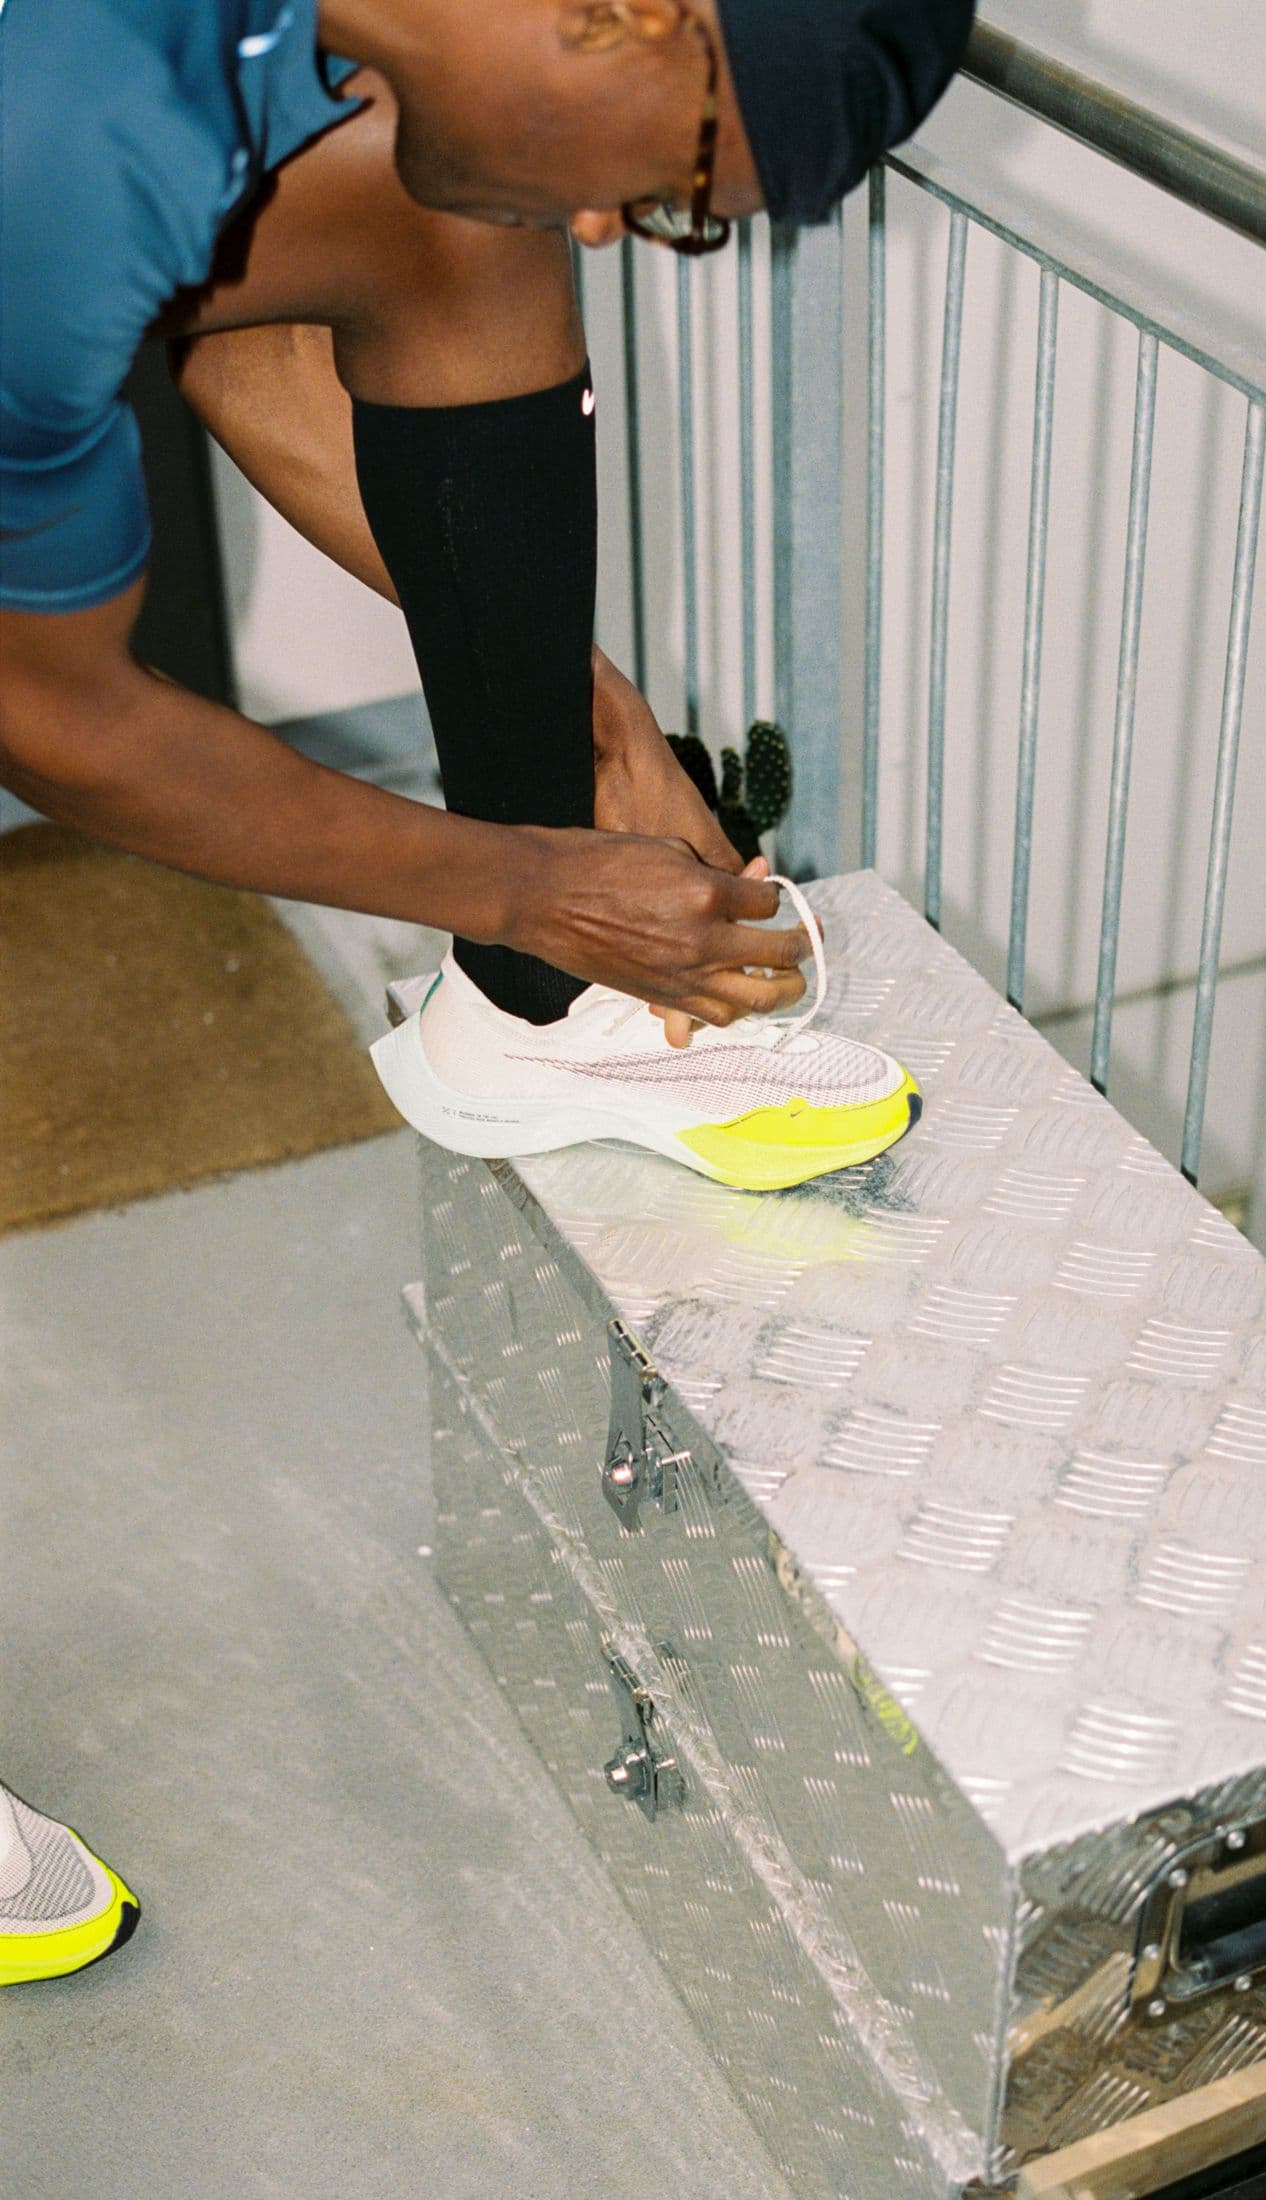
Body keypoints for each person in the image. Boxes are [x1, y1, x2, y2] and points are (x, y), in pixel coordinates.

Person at [0, 0, 972, 1982]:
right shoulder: (60, 124)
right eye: (690, 181)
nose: (626, 233)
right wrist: (526, 866)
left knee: (458, 227)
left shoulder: (296, 46)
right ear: (622, 6)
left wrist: (586, 740)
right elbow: (54, 713)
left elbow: (230, 321)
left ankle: (524, 1007)